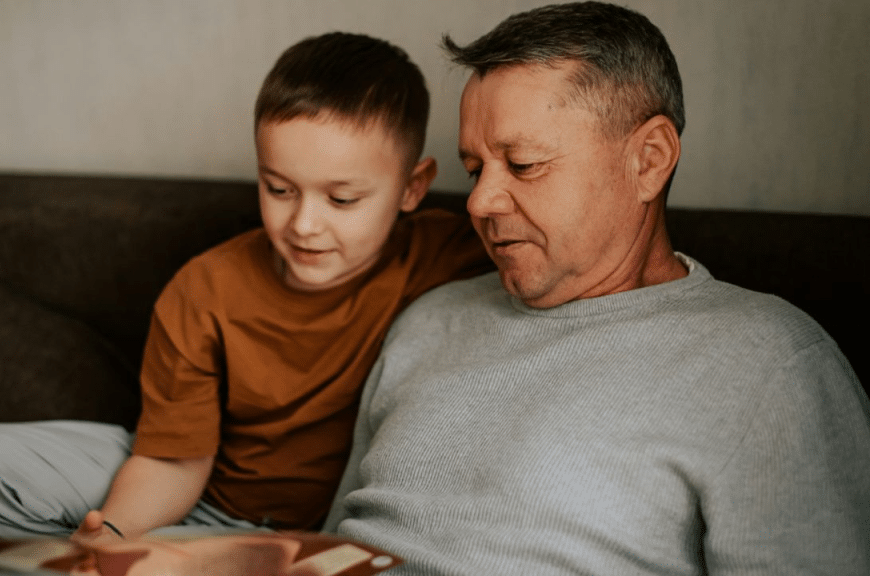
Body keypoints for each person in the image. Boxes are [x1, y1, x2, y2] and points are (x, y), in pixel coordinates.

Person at [324, 3, 870, 575]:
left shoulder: (770, 364)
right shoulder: (429, 320)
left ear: (648, 160)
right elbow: (323, 551)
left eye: (524, 163)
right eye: (474, 168)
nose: (480, 202)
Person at [0, 31, 491, 544]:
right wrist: (112, 536)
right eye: (279, 188)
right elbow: (175, 461)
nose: (303, 224)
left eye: (341, 200)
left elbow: (561, 245)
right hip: (201, 502)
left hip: (330, 528)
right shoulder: (204, 290)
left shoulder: (448, 251)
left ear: (413, 188)